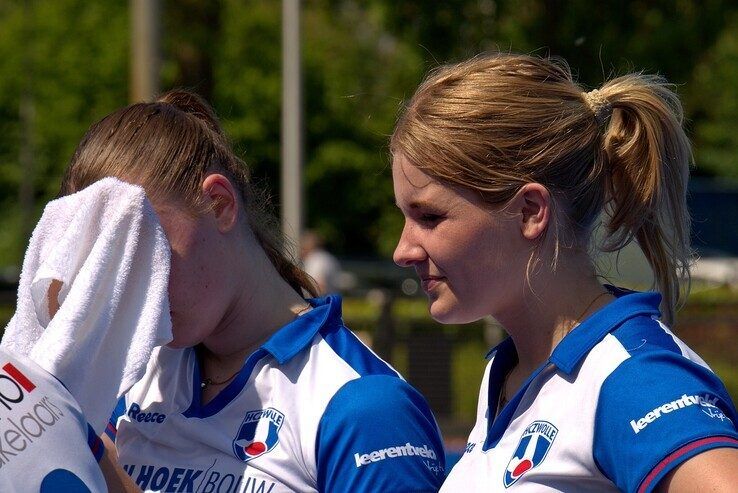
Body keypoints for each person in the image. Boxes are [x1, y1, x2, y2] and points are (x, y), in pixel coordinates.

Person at [60, 90, 445, 492]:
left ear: (219, 204)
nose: (132, 288)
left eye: (144, 251)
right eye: (108, 267)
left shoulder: (362, 408)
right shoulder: (134, 378)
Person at [390, 54, 738, 492]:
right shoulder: (512, 373)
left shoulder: (634, 377)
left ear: (531, 212)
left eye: (430, 217)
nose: (403, 250)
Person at [300, 230, 342, 295]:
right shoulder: (328, 257)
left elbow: (320, 286)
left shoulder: (315, 259)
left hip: (321, 302)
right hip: (331, 300)